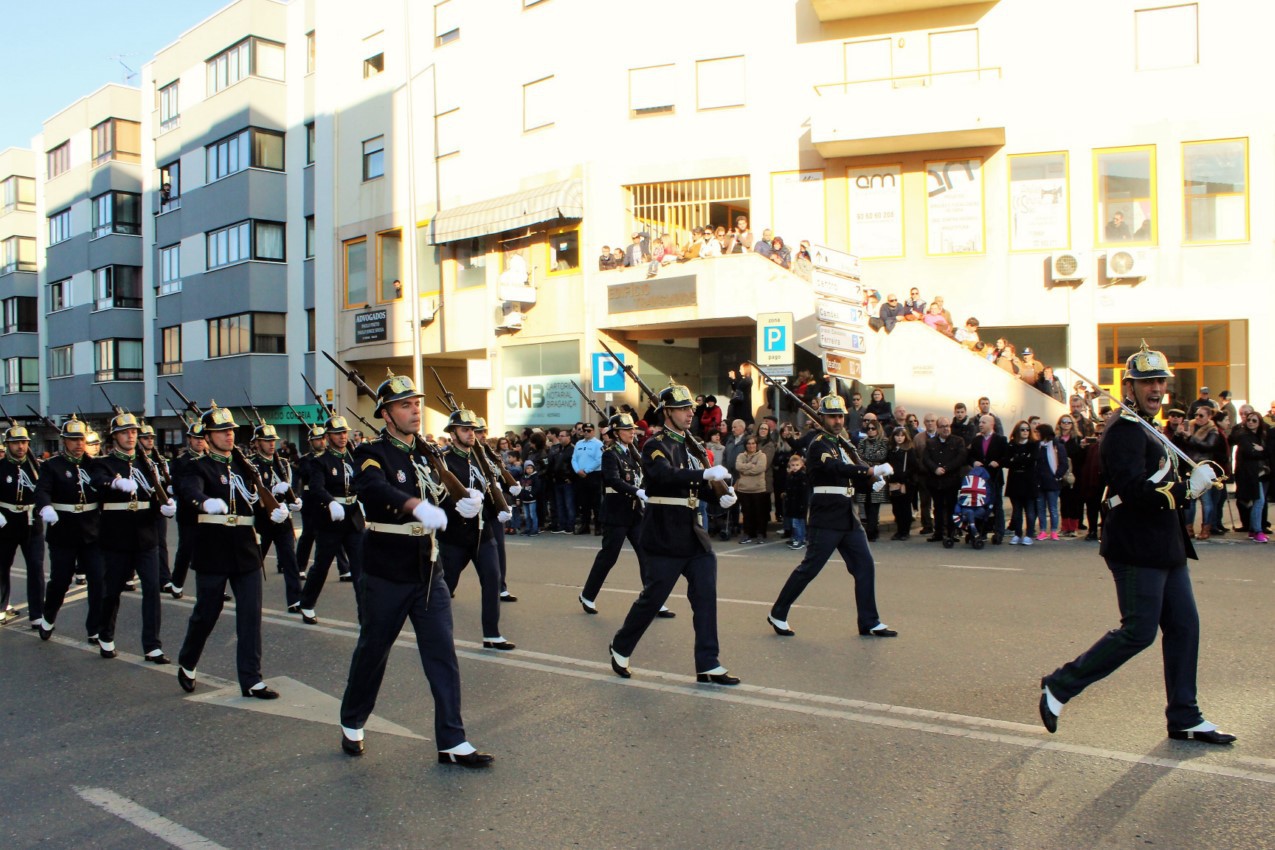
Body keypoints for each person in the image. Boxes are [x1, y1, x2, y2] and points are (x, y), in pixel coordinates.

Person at [1039, 341, 1236, 745]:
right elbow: (1133, 489)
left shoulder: (1146, 425)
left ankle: (1185, 715)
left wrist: (1187, 481)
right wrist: (1187, 491)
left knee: (1184, 627)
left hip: (1165, 544)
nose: (1156, 388)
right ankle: (1061, 684)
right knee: (1139, 631)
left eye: (1160, 381)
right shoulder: (1123, 430)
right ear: (1129, 386)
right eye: (1147, 382)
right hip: (1135, 544)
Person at [335, 373, 492, 766]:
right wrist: (412, 506)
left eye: (416, 403)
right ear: (386, 414)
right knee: (374, 650)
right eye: (405, 405)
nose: (415, 410)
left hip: (428, 568)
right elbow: (372, 488)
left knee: (442, 654)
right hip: (387, 567)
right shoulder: (372, 451)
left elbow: (439, 500)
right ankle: (353, 719)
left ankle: (452, 741)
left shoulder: (426, 455)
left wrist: (464, 506)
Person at [609, 383, 741, 684]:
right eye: (682, 409)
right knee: (653, 598)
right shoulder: (655, 445)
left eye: (690, 409)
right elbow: (664, 476)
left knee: (706, 596)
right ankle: (621, 645)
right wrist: (705, 474)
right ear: (667, 412)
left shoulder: (690, 445)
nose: (688, 413)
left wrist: (719, 498)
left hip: (693, 534)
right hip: (665, 533)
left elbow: (694, 488)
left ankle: (708, 662)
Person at [175, 404, 288, 697]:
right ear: (208, 436)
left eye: (231, 431)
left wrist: (274, 513)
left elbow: (256, 501)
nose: (228, 436)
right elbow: (189, 489)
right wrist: (204, 502)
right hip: (213, 549)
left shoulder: (244, 467)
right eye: (221, 431)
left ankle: (251, 679)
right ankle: (188, 660)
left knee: (250, 615)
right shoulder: (196, 466)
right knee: (206, 613)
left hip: (246, 548)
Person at [766, 395, 896, 638]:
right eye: (832, 416)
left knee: (865, 566)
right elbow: (835, 468)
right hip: (826, 516)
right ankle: (778, 612)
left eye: (840, 416)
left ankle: (869, 620)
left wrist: (871, 482)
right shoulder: (819, 445)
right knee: (810, 568)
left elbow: (848, 476)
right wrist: (869, 470)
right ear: (821, 418)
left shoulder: (841, 444)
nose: (837, 421)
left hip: (848, 514)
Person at [90, 410, 176, 661]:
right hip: (116, 538)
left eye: (134, 432)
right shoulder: (103, 463)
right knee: (111, 591)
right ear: (114, 436)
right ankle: (105, 635)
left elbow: (155, 492)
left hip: (146, 536)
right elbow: (97, 481)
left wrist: (165, 506)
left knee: (151, 590)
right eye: (125, 432)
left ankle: (152, 645)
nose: (130, 436)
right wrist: (114, 484)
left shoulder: (146, 464)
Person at [579, 413, 675, 618]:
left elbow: (642, 477)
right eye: (627, 429)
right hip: (616, 513)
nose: (632, 432)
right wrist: (636, 491)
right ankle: (588, 594)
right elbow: (613, 480)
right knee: (609, 557)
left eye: (633, 429)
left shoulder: (632, 453)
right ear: (616, 432)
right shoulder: (610, 454)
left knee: (646, 556)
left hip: (635, 513)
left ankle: (654, 601)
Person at [439, 409, 514, 651]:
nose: (471, 433)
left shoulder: (479, 457)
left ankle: (492, 634)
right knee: (445, 585)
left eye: (473, 429)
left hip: (483, 532)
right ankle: (433, 631)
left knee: (492, 579)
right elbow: (438, 495)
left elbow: (490, 487)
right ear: (453, 433)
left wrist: (500, 508)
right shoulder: (444, 459)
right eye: (465, 429)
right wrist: (457, 504)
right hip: (455, 534)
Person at [33, 417, 103, 642]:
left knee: (98, 580)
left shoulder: (93, 465)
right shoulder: (51, 465)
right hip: (63, 531)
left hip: (91, 531)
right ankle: (49, 616)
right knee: (61, 581)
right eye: (73, 440)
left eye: (81, 439)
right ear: (64, 441)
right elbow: (42, 490)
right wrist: (45, 507)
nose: (78, 444)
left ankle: (94, 628)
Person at [299, 414, 366, 625]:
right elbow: (317, 487)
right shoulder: (321, 461)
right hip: (331, 519)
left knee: (360, 567)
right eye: (337, 434)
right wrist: (330, 502)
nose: (342, 437)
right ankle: (307, 603)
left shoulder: (354, 457)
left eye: (344, 432)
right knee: (322, 565)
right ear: (328, 437)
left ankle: (364, 613)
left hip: (353, 518)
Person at [249, 422, 305, 612]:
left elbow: (288, 488)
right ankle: (249, 596)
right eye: (267, 441)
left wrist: (293, 501)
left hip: (282, 518)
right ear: (257, 443)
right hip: (262, 520)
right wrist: (273, 490)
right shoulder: (251, 465)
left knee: (290, 559)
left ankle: (295, 599)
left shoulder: (282, 463)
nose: (272, 444)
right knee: (255, 561)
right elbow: (251, 494)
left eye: (273, 440)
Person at [0, 423, 45, 629]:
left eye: (24, 442)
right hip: (6, 523)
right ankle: (1, 608)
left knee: (36, 567)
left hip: (31, 522)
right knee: (2, 567)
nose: (20, 447)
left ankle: (37, 613)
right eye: (16, 443)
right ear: (7, 445)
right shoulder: (1, 467)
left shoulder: (36, 467)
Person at [164, 419, 209, 599]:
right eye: (195, 438)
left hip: (208, 514)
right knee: (186, 550)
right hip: (189, 513)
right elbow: (178, 486)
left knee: (211, 551)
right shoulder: (181, 461)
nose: (199, 441)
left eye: (202, 438)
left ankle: (215, 587)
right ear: (189, 439)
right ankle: (177, 583)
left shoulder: (210, 459)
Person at [922, 417, 967, 545]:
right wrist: (935, 468)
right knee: (938, 507)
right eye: (942, 426)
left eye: (947, 426)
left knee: (952, 507)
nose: (946, 428)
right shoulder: (931, 442)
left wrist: (946, 469)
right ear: (938, 428)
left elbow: (960, 458)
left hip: (951, 481)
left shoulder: (958, 441)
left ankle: (951, 533)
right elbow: (926, 459)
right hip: (935, 481)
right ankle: (938, 533)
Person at [967, 414, 1008, 544]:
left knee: (997, 505)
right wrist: (974, 463)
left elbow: (1006, 457)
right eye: (979, 422)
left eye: (983, 422)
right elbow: (969, 456)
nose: (980, 424)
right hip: (980, 479)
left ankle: (999, 532)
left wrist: (999, 463)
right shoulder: (976, 440)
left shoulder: (1000, 439)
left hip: (994, 477)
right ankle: (981, 531)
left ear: (991, 424)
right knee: (980, 505)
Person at [1231, 411, 1269, 542]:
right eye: (1249, 420)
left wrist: (1262, 450)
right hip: (1249, 473)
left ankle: (1254, 530)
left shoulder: (1259, 436)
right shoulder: (1244, 436)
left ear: (1259, 423)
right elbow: (1250, 453)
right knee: (1259, 502)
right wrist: (1263, 451)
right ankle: (1257, 531)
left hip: (1257, 473)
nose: (1251, 423)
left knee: (1257, 502)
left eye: (1254, 420)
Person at [853, 418, 889, 541]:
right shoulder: (862, 442)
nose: (870, 431)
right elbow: (859, 457)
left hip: (878, 476)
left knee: (875, 505)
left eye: (873, 428)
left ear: (878, 429)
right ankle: (871, 529)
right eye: (868, 428)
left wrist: (868, 459)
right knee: (866, 504)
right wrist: (869, 460)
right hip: (864, 476)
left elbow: (881, 455)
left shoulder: (884, 442)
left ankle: (872, 531)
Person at [1032, 422, 1068, 541]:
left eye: (1038, 432)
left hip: (1052, 481)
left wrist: (1057, 476)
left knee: (1052, 507)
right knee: (1041, 507)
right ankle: (1042, 530)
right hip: (1039, 481)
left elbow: (1064, 464)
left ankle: (1053, 531)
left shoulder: (1056, 446)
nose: (1036, 434)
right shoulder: (1037, 446)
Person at [1004, 420, 1038, 545]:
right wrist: (1022, 459)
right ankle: (1017, 534)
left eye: (1027, 429)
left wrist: (1017, 459)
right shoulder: (1011, 444)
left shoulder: (1034, 444)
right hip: (1015, 480)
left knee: (1029, 510)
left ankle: (1029, 534)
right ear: (1017, 431)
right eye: (1022, 429)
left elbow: (1032, 460)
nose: (1025, 432)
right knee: (1016, 510)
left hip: (1028, 481)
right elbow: (1007, 462)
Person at [735, 436, 770, 544]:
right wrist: (751, 465)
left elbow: (760, 468)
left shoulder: (762, 455)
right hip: (744, 489)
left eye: (753, 443)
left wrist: (745, 471)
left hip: (758, 489)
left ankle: (761, 534)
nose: (751, 445)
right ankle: (747, 534)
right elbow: (738, 466)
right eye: (749, 443)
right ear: (745, 445)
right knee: (746, 513)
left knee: (760, 513)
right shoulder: (741, 456)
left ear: (756, 444)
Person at [571, 422, 604, 535]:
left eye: (588, 430)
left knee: (596, 503)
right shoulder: (579, 443)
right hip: (581, 475)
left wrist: (586, 471)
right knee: (584, 502)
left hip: (593, 475)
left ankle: (598, 527)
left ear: (593, 431)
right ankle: (585, 526)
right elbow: (574, 459)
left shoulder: (598, 444)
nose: (586, 432)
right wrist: (577, 470)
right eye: (584, 430)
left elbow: (598, 460)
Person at [885, 426, 916, 540]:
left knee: (905, 507)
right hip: (893, 482)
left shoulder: (909, 450)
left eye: (902, 435)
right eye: (897, 435)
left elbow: (913, 466)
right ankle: (899, 530)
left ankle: (905, 531)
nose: (899, 438)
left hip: (906, 482)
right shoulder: (891, 450)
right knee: (896, 507)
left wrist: (905, 477)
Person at [784, 454, 809, 550]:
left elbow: (803, 492)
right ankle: (796, 537)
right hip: (792, 503)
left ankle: (800, 539)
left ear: (802, 465)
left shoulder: (802, 476)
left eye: (797, 465)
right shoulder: (791, 476)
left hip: (799, 503)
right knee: (794, 522)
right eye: (793, 465)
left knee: (798, 522)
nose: (795, 467)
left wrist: (803, 504)